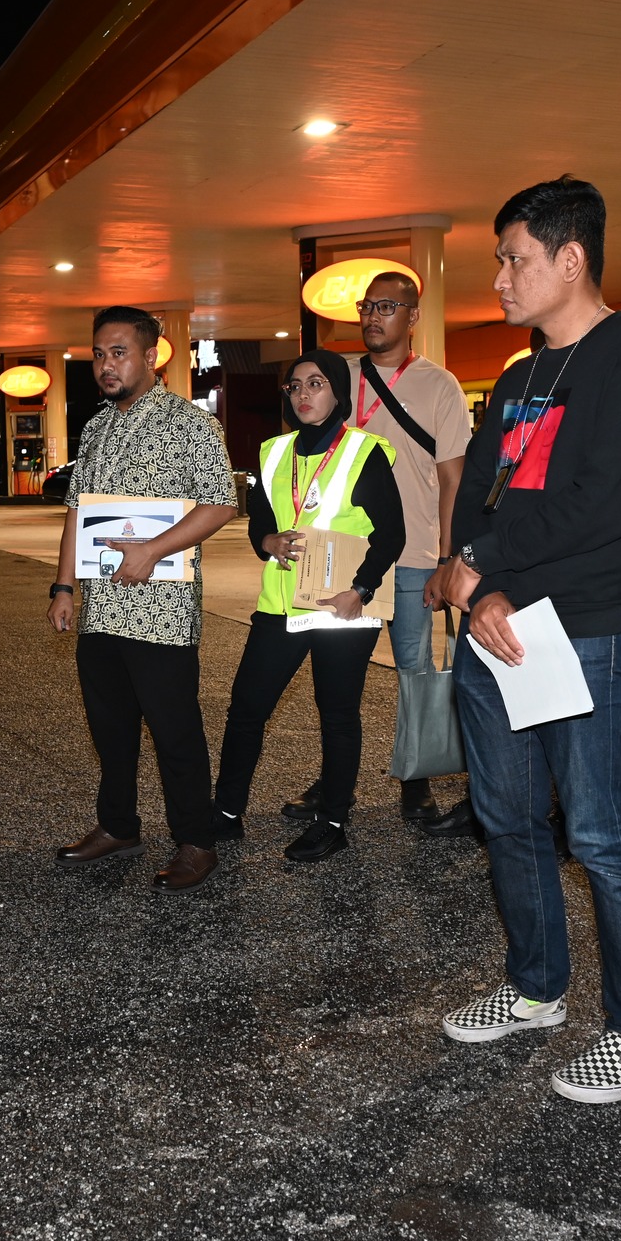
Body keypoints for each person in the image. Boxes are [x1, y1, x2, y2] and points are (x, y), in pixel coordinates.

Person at [430, 176, 621, 1103]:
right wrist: (481, 579)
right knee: (505, 817)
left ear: (570, 259)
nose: (498, 278)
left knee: (602, 832)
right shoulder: (520, 374)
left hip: (588, 629)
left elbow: (606, 506)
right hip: (499, 625)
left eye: (513, 258)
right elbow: (481, 497)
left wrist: (485, 568)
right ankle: (537, 987)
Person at [50, 306, 237, 892]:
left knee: (174, 730)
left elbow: (221, 503)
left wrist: (152, 550)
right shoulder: (96, 428)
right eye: (99, 355)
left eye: (119, 353)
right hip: (103, 610)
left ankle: (196, 842)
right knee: (109, 728)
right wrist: (63, 586)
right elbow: (77, 513)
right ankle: (118, 825)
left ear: (152, 355)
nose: (106, 365)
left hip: (161, 612)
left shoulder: (190, 424)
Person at [285, 271, 471, 829]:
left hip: (412, 556)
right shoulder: (336, 375)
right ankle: (332, 781)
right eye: (367, 306)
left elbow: (453, 480)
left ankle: (416, 780)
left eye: (388, 307)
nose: (373, 316)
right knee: (337, 680)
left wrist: (447, 558)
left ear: (413, 317)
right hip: (341, 555)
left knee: (414, 670)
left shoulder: (439, 386)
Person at [212, 349, 404, 861]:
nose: (303, 394)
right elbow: (259, 521)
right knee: (247, 709)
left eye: (315, 384)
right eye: (294, 386)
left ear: (338, 392)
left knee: (337, 714)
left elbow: (392, 535)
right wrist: (267, 543)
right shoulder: (273, 452)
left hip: (343, 606)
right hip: (280, 603)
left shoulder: (366, 451)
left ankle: (333, 821)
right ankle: (226, 813)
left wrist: (360, 591)